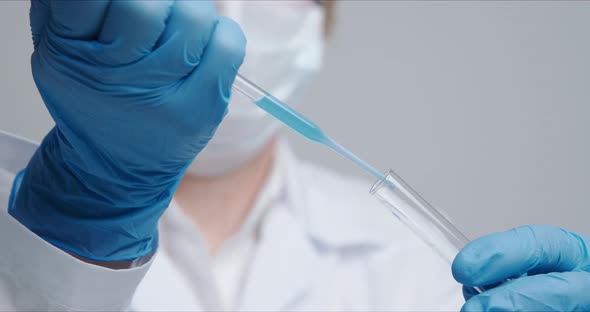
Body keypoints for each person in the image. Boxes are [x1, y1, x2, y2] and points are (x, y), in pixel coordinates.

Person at [0, 1, 588, 311]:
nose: (226, 9)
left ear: (321, 18)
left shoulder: (412, 265)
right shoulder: (38, 217)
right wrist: (86, 219)